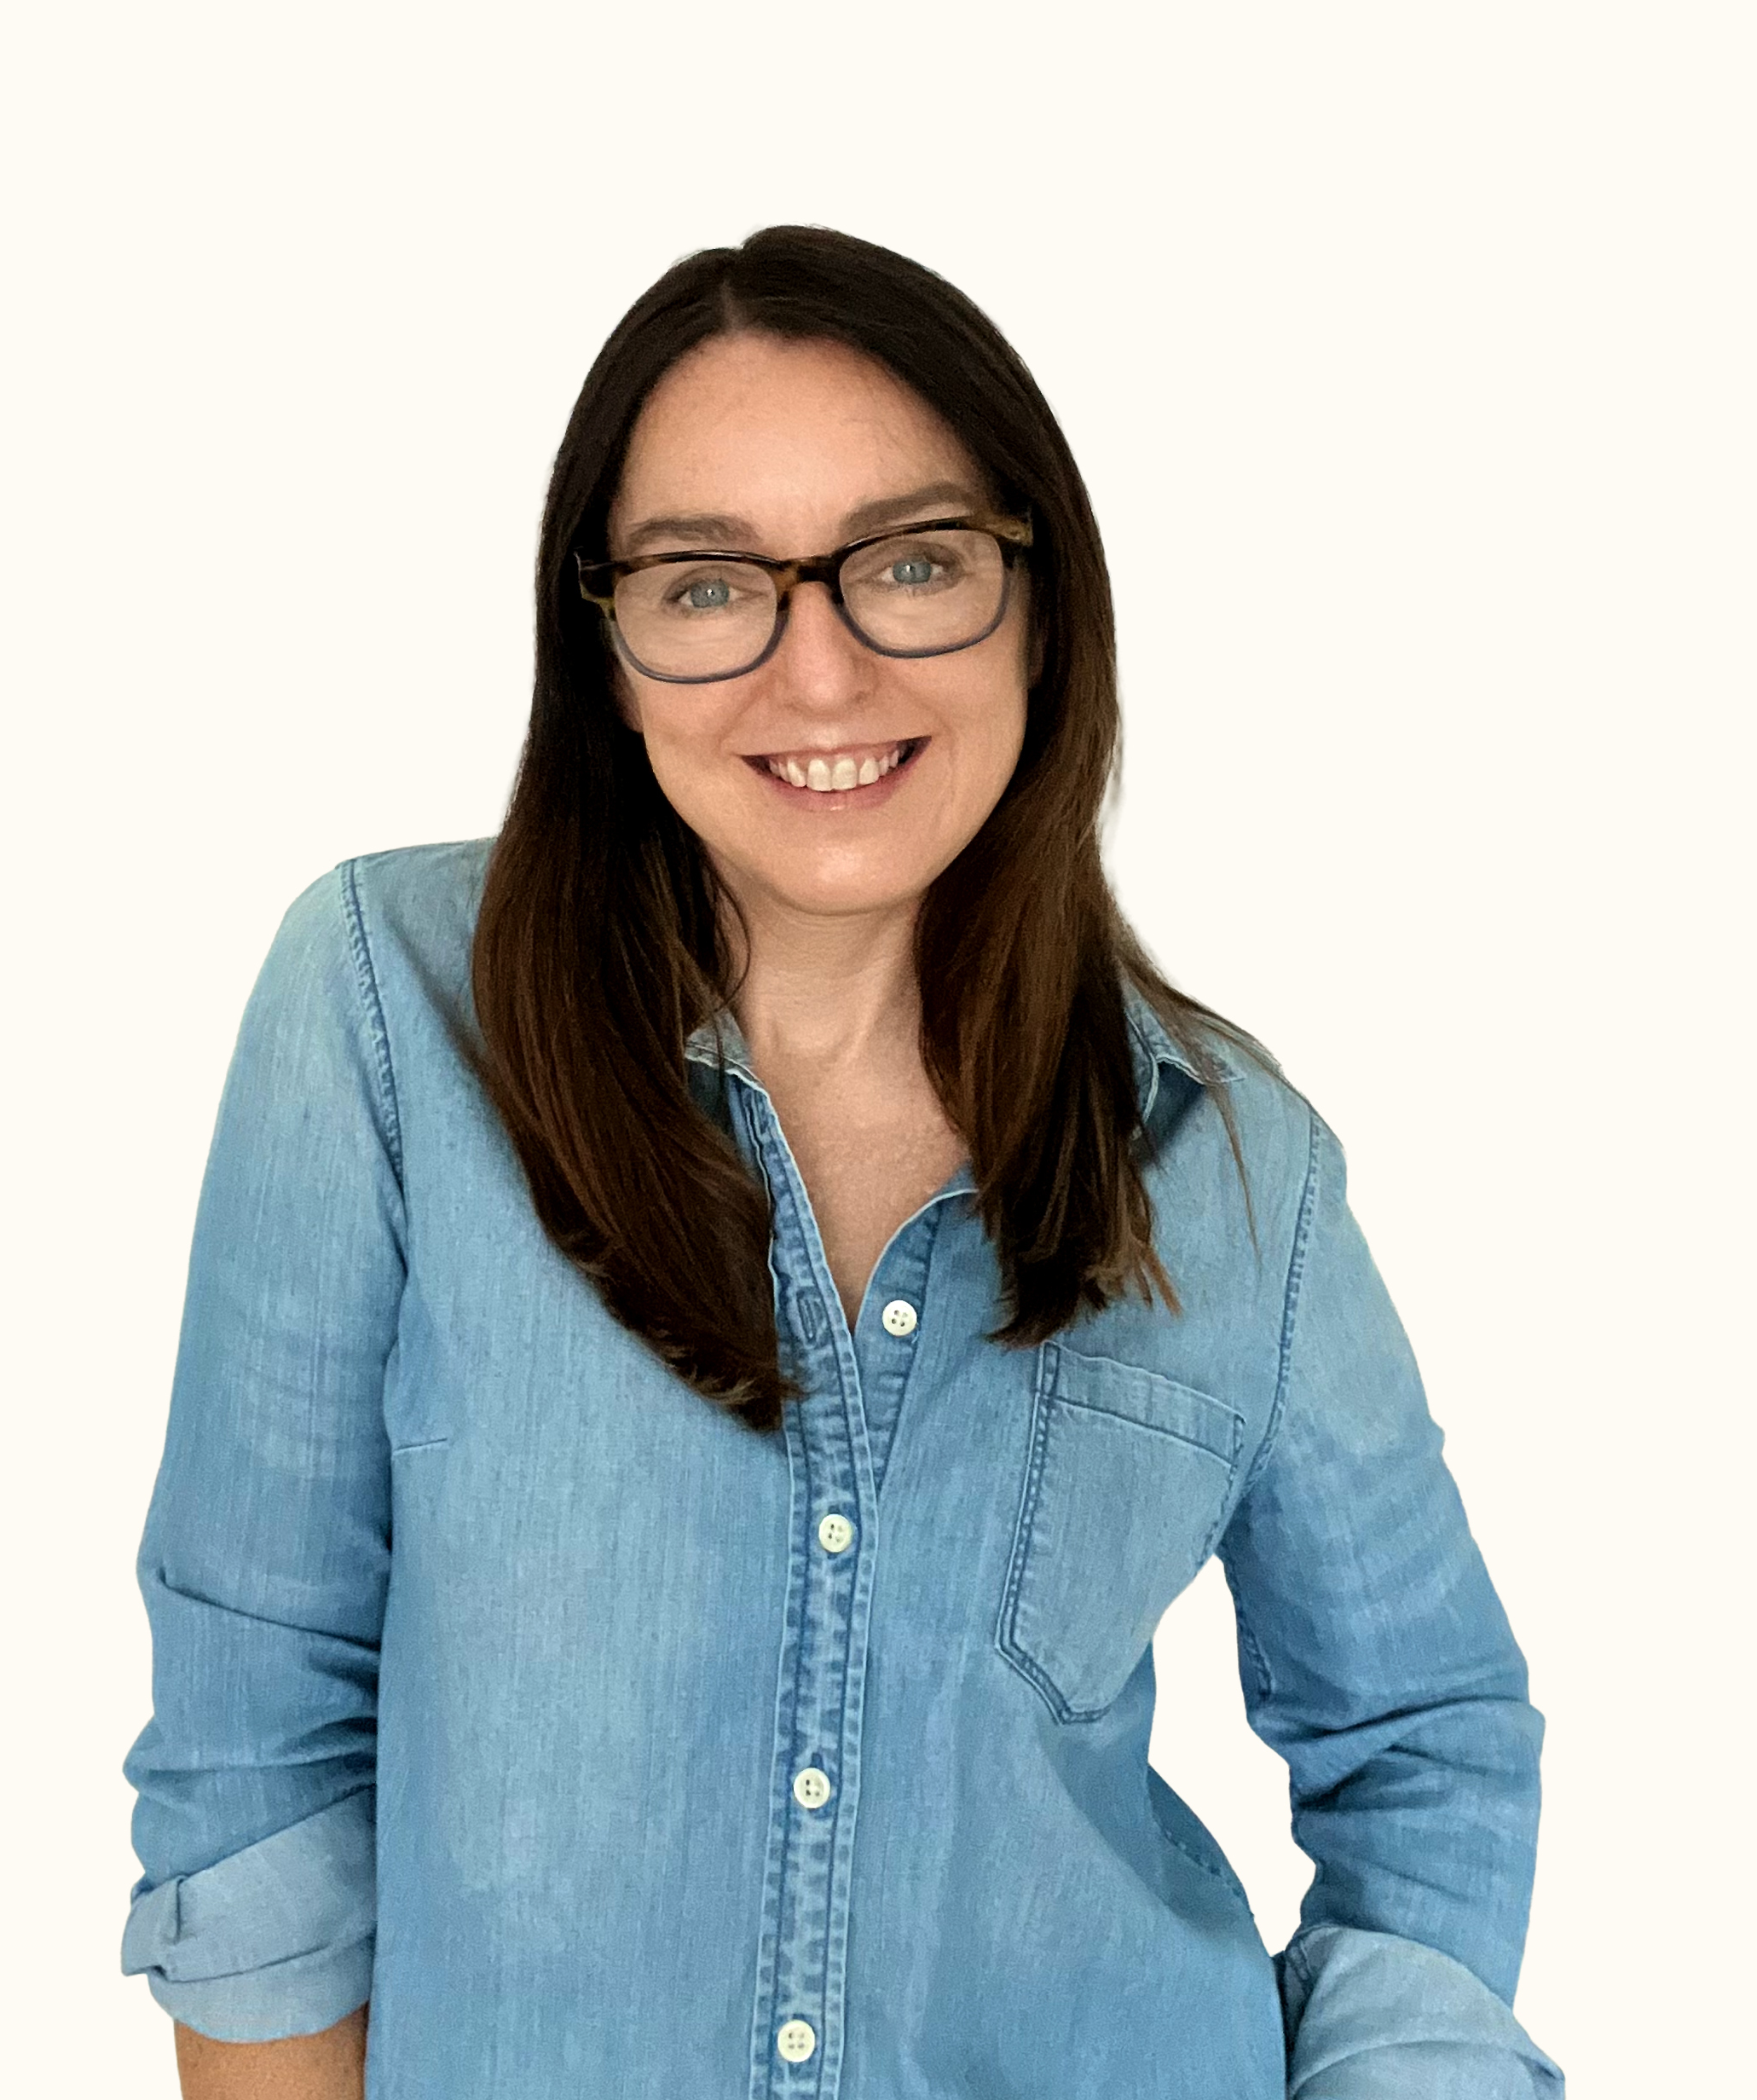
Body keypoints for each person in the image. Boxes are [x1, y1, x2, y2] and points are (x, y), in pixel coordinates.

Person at [120, 226, 1563, 2099]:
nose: (820, 672)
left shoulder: (1228, 1161)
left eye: (910, 564)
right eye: (709, 583)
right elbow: (257, 1747)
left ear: (1041, 606)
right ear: (609, 647)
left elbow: (1429, 1738)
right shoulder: (390, 1017)